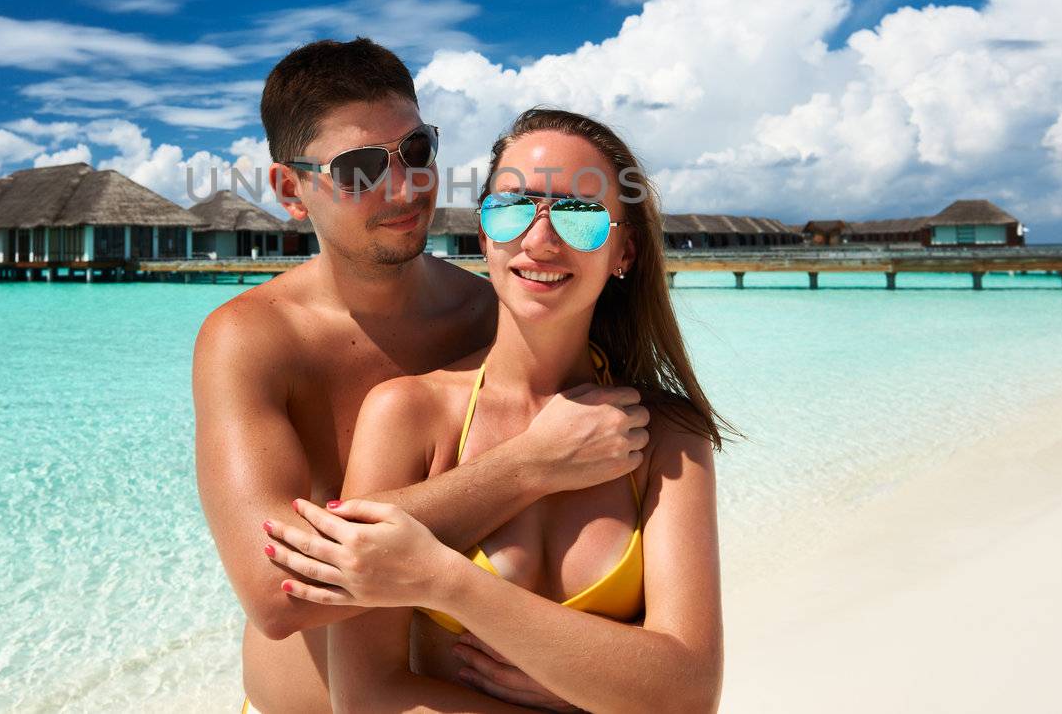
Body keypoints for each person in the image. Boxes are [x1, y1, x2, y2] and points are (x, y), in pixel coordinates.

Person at [194, 42, 654, 714]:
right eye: (357, 170)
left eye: (415, 151)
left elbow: (616, 489)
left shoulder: (496, 310)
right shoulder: (254, 339)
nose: (404, 186)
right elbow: (273, 589)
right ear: (291, 190)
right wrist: (526, 465)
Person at [266, 107, 735, 713]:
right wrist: (589, 692)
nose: (540, 240)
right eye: (512, 207)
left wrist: (444, 580)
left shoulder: (666, 435)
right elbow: (366, 698)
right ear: (485, 234)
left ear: (624, 251)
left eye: (581, 214)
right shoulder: (409, 415)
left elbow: (691, 692)